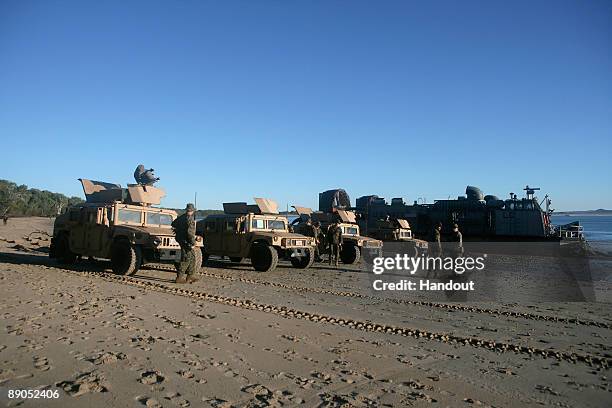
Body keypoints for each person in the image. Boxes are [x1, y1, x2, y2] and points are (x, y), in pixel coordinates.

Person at [171, 203, 199, 284]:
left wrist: (178, 230)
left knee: (192, 257)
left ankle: (190, 276)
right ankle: (179, 277)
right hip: (186, 241)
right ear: (193, 211)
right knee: (186, 259)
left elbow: (173, 224)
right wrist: (193, 243)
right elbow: (190, 233)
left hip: (181, 239)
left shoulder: (182, 217)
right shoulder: (190, 219)